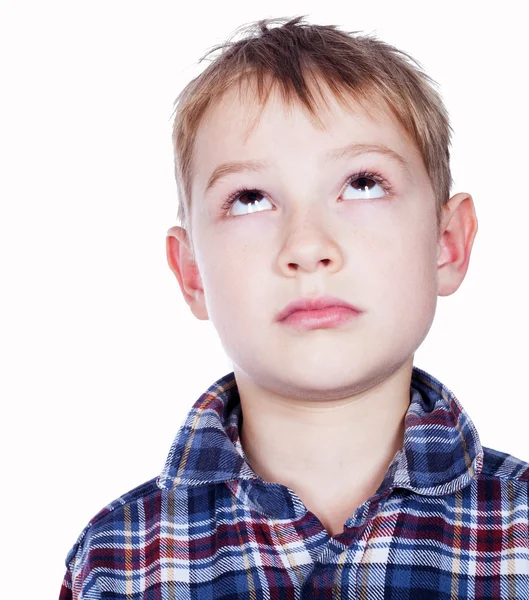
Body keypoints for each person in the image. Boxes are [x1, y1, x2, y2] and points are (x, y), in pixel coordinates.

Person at [59, 15, 529, 599]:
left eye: (362, 183)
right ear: (191, 273)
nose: (307, 247)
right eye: (251, 198)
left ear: (448, 243)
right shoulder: (117, 561)